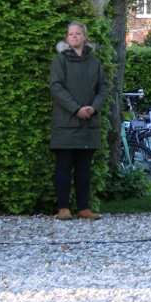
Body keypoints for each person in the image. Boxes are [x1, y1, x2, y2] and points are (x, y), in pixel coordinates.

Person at [50, 21, 109, 221]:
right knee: (64, 165)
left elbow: (103, 87)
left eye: (77, 33)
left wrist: (94, 107)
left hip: (88, 123)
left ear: (85, 37)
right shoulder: (60, 61)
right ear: (67, 38)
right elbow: (56, 88)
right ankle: (63, 207)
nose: (74, 36)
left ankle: (83, 207)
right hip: (66, 122)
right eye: (70, 34)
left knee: (84, 167)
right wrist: (76, 109)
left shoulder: (94, 63)